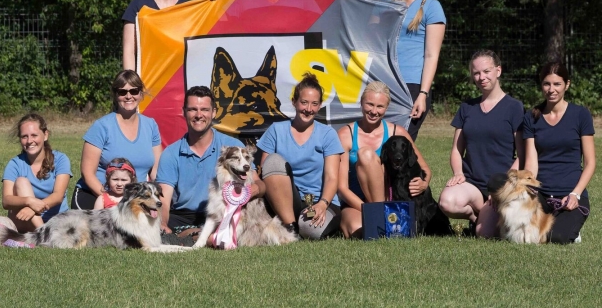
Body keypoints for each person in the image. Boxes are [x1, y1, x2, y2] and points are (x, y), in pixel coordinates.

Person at [437, 50, 525, 237]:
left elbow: (522, 155)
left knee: (483, 234)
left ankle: (485, 219)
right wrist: (459, 173)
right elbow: (456, 150)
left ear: (498, 71)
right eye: (476, 73)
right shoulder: (467, 107)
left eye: (486, 71)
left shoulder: (515, 107)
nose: (481, 77)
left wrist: (503, 186)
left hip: (501, 184)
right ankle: (475, 215)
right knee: (447, 202)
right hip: (472, 182)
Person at [156, 86, 264, 234]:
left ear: (214, 112)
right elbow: (164, 200)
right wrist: (162, 224)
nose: (198, 115)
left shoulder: (233, 147)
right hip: (182, 216)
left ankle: (199, 234)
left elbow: (260, 185)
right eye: (193, 109)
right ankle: (196, 233)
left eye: (205, 109)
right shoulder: (170, 153)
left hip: (222, 211)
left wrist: (249, 192)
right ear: (184, 112)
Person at [336, 81, 430, 238]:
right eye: (369, 104)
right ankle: (381, 217)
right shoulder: (346, 134)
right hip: (357, 203)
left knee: (374, 230)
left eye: (380, 106)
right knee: (358, 229)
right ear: (361, 103)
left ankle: (383, 216)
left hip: (389, 201)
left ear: (386, 108)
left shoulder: (397, 132)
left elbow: (425, 169)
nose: (374, 111)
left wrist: (423, 183)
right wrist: (369, 209)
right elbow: (342, 188)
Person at [257, 73, 343, 239]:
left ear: (320, 106)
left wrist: (323, 204)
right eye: (304, 102)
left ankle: (297, 227)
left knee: (311, 229)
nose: (308, 109)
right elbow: (264, 172)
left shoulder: (328, 134)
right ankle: (290, 227)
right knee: (272, 161)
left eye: (314, 104)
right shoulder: (276, 130)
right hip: (284, 202)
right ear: (294, 102)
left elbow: (332, 177)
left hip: (320, 201)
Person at [522, 61, 595, 244]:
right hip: (542, 194)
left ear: (567, 84)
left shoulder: (581, 115)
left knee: (557, 237)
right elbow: (531, 162)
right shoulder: (531, 117)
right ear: (541, 85)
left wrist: (575, 194)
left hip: (570, 195)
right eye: (547, 84)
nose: (551, 89)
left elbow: (590, 163)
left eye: (557, 84)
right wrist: (529, 189)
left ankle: (571, 230)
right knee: (525, 236)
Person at [381, 0, 446, 141]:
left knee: (399, 146)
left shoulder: (432, 7)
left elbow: (431, 55)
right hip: (382, 82)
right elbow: (362, 36)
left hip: (412, 86)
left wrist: (423, 94)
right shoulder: (384, 2)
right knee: (377, 143)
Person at [72, 70, 162, 210]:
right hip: (96, 196)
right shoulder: (101, 126)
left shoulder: (151, 125)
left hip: (134, 202)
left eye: (134, 91)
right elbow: (87, 174)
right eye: (122, 92)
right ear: (115, 95)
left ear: (140, 93)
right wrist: (111, 200)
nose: (128, 96)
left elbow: (156, 172)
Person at [1, 114, 72, 232]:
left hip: (57, 220)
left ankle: (42, 233)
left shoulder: (60, 159)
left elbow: (58, 196)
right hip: (24, 220)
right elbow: (6, 201)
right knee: (21, 182)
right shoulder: (14, 164)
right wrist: (28, 202)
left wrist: (33, 209)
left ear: (45, 135)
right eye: (24, 136)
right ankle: (43, 233)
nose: (29, 141)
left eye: (34, 135)